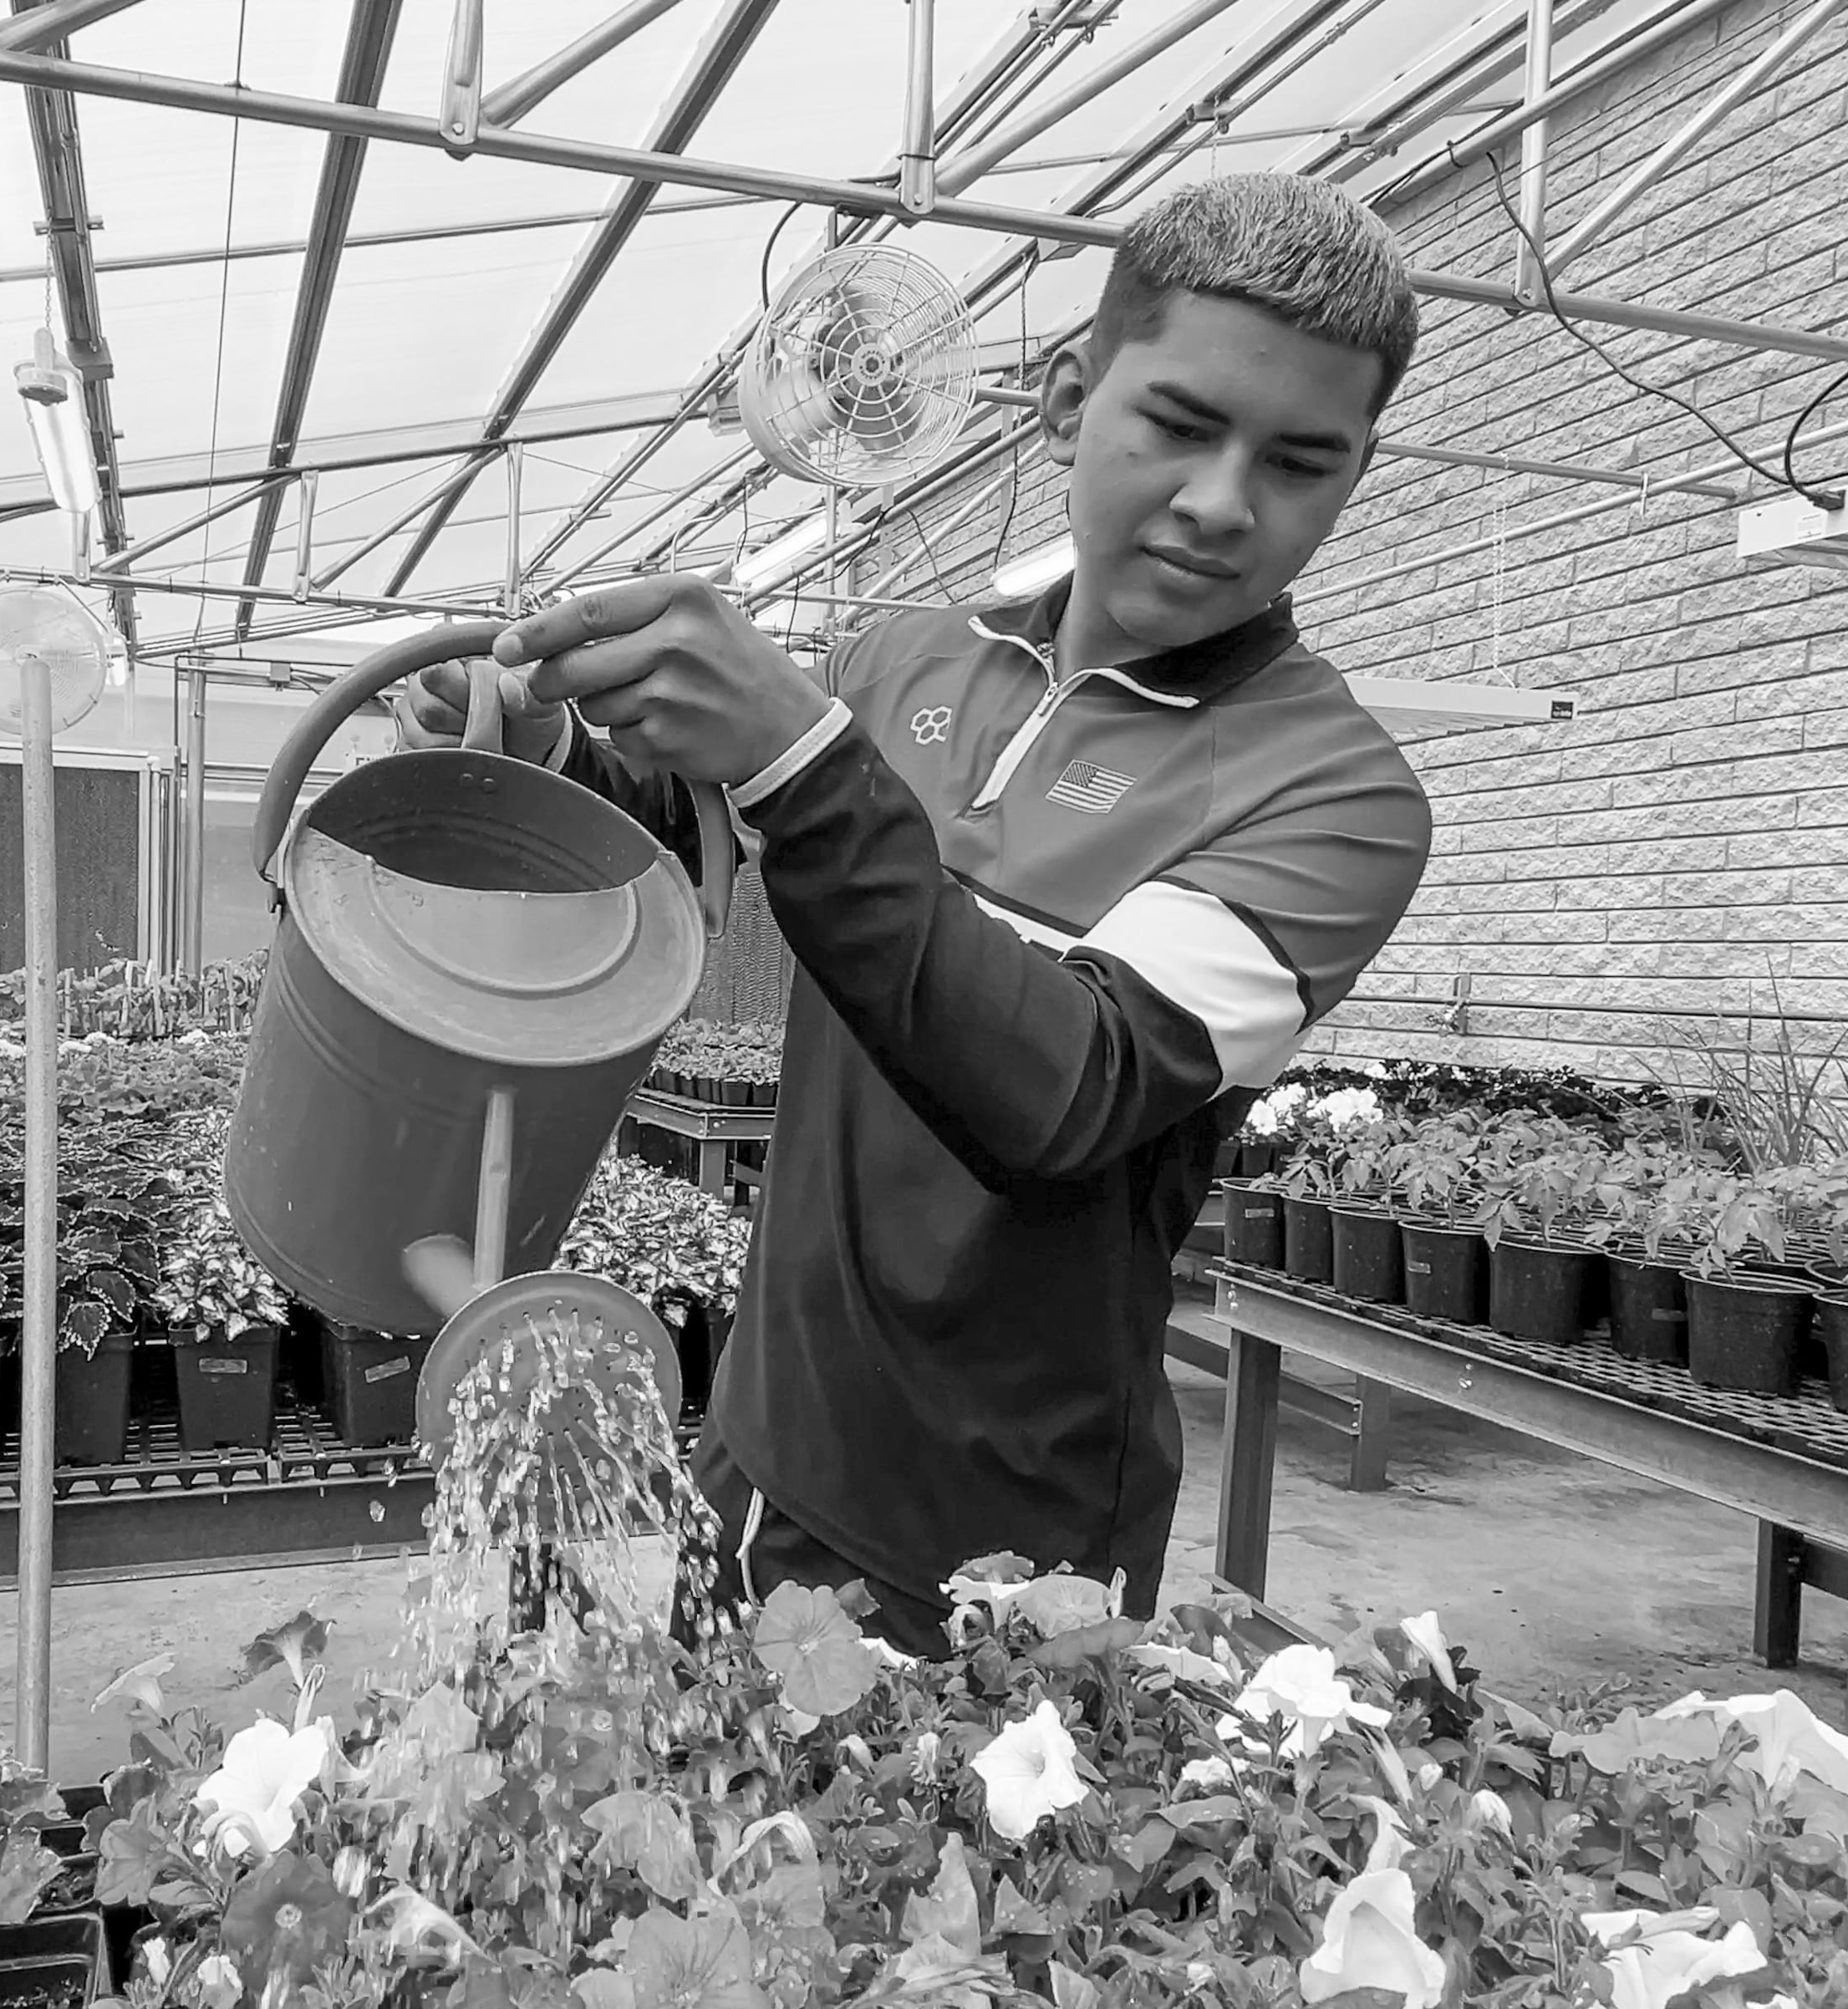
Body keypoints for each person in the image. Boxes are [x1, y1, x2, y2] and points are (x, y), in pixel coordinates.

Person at [396, 170, 1433, 1656]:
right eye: (1182, 424)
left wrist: (803, 762)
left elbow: (1063, 1089)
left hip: (1004, 1539)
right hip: (762, 1428)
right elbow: (696, 851)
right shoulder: (905, 662)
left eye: (1301, 462)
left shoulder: (1332, 793)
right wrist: (547, 756)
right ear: (1071, 397)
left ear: (1355, 474)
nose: (1223, 503)